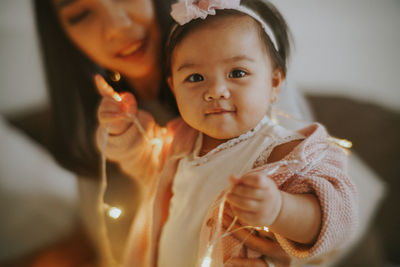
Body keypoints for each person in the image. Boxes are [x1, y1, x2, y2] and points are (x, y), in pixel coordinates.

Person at [33, 0, 295, 266]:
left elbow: (324, 202)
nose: (116, 26)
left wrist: (297, 242)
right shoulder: (107, 118)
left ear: (274, 81)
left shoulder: (249, 82)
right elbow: (99, 225)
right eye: (81, 15)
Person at [96, 0, 358, 266]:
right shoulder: (178, 142)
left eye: (237, 72)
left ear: (274, 83)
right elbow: (141, 160)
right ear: (174, 89)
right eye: (196, 78)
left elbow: (339, 217)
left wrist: (280, 208)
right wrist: (122, 127)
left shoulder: (285, 151)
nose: (216, 91)